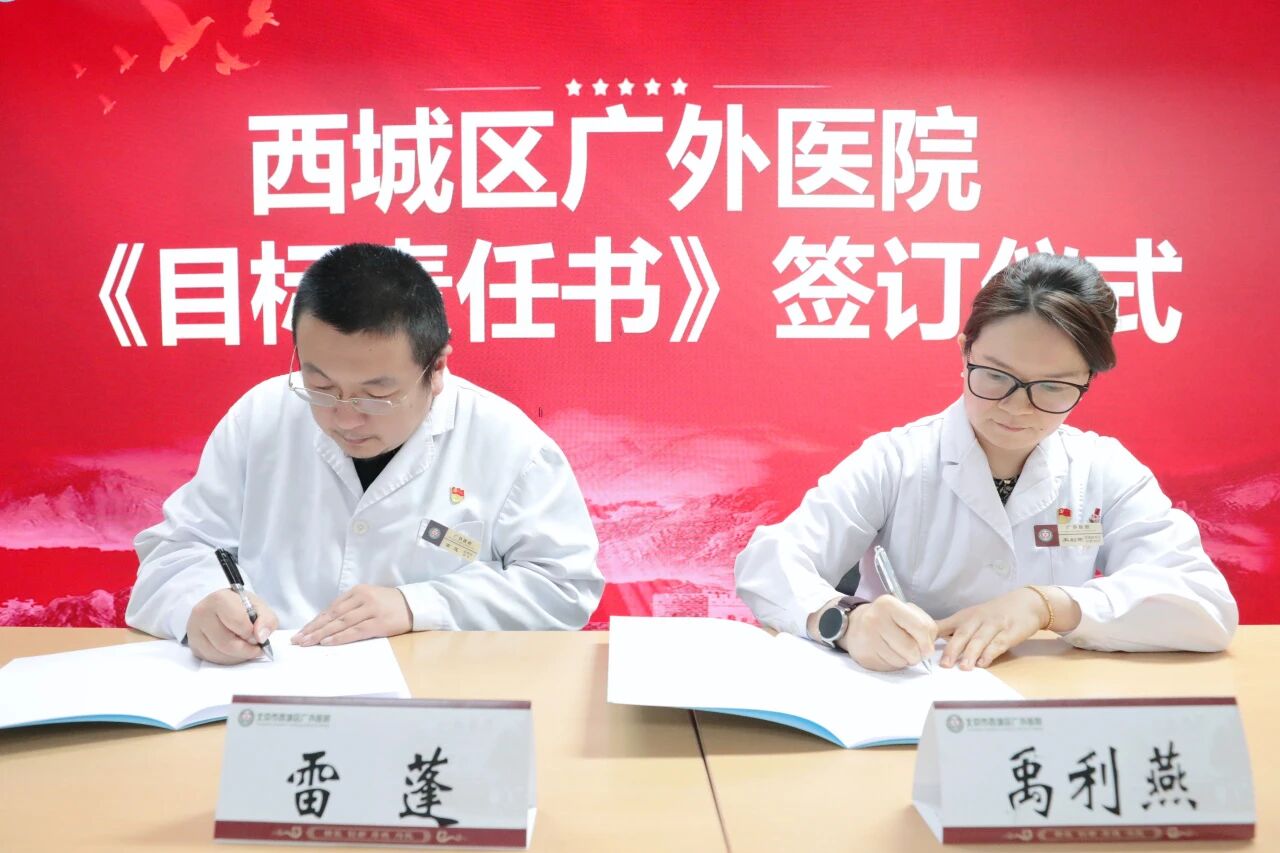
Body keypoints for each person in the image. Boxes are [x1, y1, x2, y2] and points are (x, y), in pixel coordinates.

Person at [734, 253, 1237, 672]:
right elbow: (768, 562)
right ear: (965, 352)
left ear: (1087, 382)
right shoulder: (897, 460)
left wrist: (1048, 605)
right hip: (909, 694)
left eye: (1052, 387)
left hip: (1051, 698)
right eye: (996, 376)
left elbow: (1206, 606)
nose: (1017, 407)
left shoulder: (1104, 471)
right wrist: (846, 621)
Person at [126, 243, 604, 663]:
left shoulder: (508, 445)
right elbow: (175, 551)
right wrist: (201, 603)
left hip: (436, 697)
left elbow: (564, 586)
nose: (346, 418)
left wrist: (418, 606)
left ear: (436, 368)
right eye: (321, 387)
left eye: (376, 397)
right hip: (272, 691)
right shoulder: (261, 417)